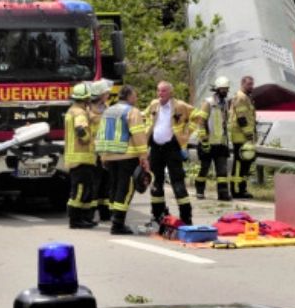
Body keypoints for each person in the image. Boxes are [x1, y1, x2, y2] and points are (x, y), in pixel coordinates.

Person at [96, 85, 149, 235]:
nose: (136, 98)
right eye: (135, 95)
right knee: (125, 189)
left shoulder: (107, 110)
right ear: (130, 97)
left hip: (109, 155)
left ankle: (115, 218)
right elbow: (138, 134)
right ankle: (118, 224)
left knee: (114, 186)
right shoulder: (132, 111)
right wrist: (143, 156)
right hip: (127, 155)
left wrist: (102, 155)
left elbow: (101, 134)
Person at [144, 81, 197, 225]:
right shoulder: (154, 104)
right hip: (156, 148)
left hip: (172, 148)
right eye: (158, 91)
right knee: (156, 183)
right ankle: (157, 216)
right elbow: (144, 117)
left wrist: (186, 133)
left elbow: (198, 115)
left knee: (177, 183)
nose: (160, 94)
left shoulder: (179, 105)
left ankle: (186, 218)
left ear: (170, 92)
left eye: (163, 91)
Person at [193, 76, 232, 201]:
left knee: (222, 171)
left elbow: (224, 122)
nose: (225, 92)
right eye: (223, 89)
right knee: (204, 168)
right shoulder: (208, 103)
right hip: (208, 142)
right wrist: (204, 140)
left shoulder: (225, 103)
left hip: (220, 143)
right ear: (217, 89)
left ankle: (223, 193)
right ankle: (199, 190)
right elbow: (201, 121)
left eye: (226, 89)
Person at [65, 82, 98, 229]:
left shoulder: (72, 110)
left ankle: (84, 218)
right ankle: (75, 220)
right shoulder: (80, 113)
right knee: (79, 190)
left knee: (85, 189)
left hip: (77, 158)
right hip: (81, 158)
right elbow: (81, 131)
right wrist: (88, 139)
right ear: (86, 99)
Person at [229, 75, 257, 198]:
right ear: (242, 84)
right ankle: (237, 190)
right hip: (241, 136)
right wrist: (249, 134)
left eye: (252, 84)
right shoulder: (241, 97)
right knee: (240, 164)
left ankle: (241, 189)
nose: (251, 86)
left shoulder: (246, 97)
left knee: (245, 164)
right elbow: (241, 118)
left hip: (245, 136)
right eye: (249, 84)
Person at [90, 79, 114, 222]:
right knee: (95, 182)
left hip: (106, 150)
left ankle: (105, 212)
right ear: (100, 94)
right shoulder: (89, 110)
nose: (108, 95)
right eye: (106, 92)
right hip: (94, 151)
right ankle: (90, 213)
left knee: (107, 182)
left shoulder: (106, 107)